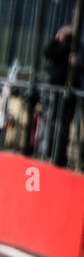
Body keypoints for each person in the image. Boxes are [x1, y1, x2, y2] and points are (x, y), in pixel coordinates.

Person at [45, 26, 79, 167]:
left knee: (64, 125)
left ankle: (60, 155)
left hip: (69, 93)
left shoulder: (75, 48)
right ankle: (50, 151)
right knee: (53, 121)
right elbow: (48, 52)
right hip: (56, 90)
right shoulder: (61, 48)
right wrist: (58, 36)